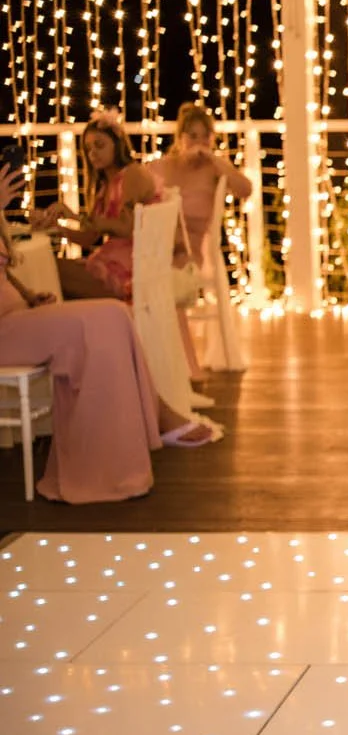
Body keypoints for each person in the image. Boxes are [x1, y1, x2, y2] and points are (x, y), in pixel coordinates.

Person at [0, 166, 217, 502]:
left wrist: (29, 294)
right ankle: (142, 433)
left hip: (17, 314)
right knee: (101, 319)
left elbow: (5, 274)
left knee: (114, 313)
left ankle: (117, 458)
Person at [38, 113, 156, 301]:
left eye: (99, 145)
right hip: (110, 264)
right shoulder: (105, 186)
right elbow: (88, 237)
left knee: (47, 272)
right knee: (45, 268)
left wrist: (73, 216)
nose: (93, 153)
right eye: (88, 148)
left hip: (131, 274)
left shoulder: (133, 174)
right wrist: (55, 227)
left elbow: (126, 228)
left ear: (117, 145)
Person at [152, 102, 253, 265]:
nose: (200, 142)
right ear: (180, 138)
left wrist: (214, 158)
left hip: (187, 251)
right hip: (156, 244)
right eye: (193, 136)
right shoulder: (162, 166)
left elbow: (246, 190)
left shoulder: (213, 168)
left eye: (206, 136)